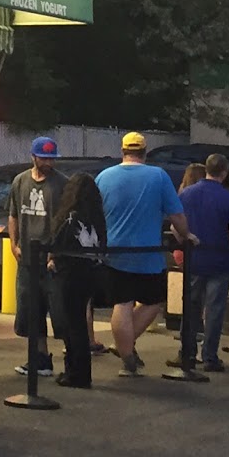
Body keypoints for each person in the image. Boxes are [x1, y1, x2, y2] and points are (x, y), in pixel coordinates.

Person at [96, 131, 191, 377]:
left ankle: (126, 351)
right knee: (152, 302)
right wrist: (186, 235)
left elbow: (95, 212)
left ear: (123, 151)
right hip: (148, 253)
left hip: (113, 251)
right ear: (145, 152)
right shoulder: (158, 176)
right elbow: (176, 214)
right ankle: (125, 349)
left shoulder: (104, 176)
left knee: (122, 303)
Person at [177, 154, 229, 372]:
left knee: (190, 307)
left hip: (194, 258)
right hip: (220, 259)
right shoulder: (228, 198)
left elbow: (176, 225)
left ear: (206, 169)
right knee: (214, 310)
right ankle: (210, 356)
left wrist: (184, 241)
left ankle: (186, 353)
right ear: (224, 173)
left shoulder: (187, 193)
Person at [7, 134, 67, 375]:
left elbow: (65, 221)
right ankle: (40, 358)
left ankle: (72, 359)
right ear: (33, 157)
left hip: (52, 260)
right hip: (28, 258)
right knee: (30, 310)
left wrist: (56, 252)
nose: (49, 163)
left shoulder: (62, 183)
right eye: (44, 158)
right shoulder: (20, 181)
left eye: (52, 159)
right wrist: (14, 244)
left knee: (61, 311)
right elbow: (13, 215)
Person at [48, 171, 107, 388]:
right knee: (80, 322)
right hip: (90, 273)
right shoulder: (96, 217)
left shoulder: (70, 217)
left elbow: (59, 244)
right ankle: (81, 372)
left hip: (70, 274)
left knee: (72, 324)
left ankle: (75, 372)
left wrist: (53, 260)